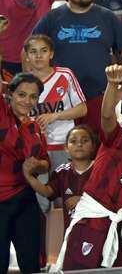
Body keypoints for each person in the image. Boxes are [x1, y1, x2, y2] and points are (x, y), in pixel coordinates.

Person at [53, 65, 122, 270]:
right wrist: (113, 85)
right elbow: (106, 116)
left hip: (121, 233)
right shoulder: (116, 139)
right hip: (90, 224)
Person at [33, 0, 122, 134]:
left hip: (99, 97)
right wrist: (34, 87)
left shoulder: (107, 16)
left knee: (99, 147)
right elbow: (28, 51)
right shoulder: (52, 18)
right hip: (61, 100)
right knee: (65, 148)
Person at [0, 72, 49, 274]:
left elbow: (46, 163)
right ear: (10, 94)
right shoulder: (2, 114)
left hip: (25, 200)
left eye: (33, 96)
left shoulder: (35, 127)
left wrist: (37, 165)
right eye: (21, 94)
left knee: (31, 265)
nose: (27, 101)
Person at [22, 34, 87, 168]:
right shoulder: (21, 83)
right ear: (27, 57)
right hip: (35, 148)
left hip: (64, 144)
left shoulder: (65, 75)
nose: (38, 56)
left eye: (43, 51)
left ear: (51, 54)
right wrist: (32, 126)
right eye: (33, 52)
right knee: (41, 188)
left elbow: (82, 109)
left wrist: (54, 116)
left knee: (66, 187)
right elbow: (17, 119)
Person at [22, 124, 96, 228]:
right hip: (71, 234)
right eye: (73, 141)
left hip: (98, 233)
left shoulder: (100, 169)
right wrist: (29, 176)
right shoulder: (62, 172)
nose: (79, 144)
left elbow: (111, 198)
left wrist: (83, 200)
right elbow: (46, 191)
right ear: (66, 148)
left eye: (84, 141)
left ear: (93, 146)